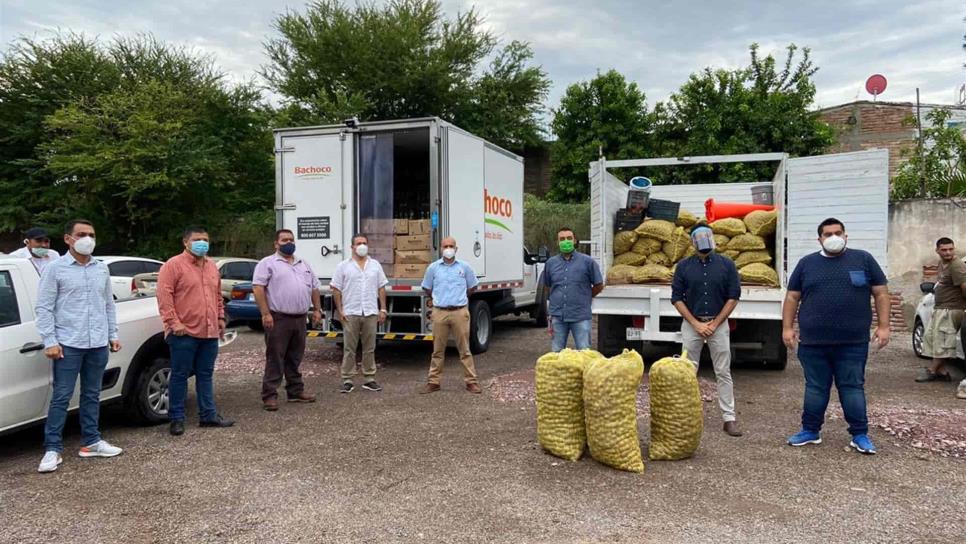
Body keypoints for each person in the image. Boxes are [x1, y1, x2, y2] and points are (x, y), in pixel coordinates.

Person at [782, 218, 890, 455]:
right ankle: (810, 430)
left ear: (846, 235)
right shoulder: (806, 264)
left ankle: (859, 434)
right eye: (827, 234)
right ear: (819, 239)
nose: (833, 237)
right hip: (813, 342)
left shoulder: (863, 259)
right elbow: (792, 297)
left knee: (852, 387)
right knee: (815, 388)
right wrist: (787, 328)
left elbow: (881, 294)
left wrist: (884, 326)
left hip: (852, 342)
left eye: (837, 232)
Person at [34, 219, 122, 473]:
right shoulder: (56, 269)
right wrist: (50, 341)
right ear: (68, 239)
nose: (88, 239)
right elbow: (44, 307)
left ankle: (91, 441)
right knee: (61, 396)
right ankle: (53, 449)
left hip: (97, 343)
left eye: (92, 234)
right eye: (81, 234)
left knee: (92, 394)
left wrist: (112, 334)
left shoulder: (100, 269)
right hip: (68, 343)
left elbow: (108, 304)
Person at [156, 226, 234, 436]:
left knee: (205, 374)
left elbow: (217, 296)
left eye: (205, 239)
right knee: (179, 375)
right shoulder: (173, 265)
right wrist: (174, 323)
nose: (202, 243)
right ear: (185, 242)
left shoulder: (211, 267)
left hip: (209, 332)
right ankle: (176, 419)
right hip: (184, 333)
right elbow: (164, 297)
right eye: (198, 239)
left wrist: (220, 317)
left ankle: (208, 415)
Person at [671, 225, 743, 437]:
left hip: (718, 325)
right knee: (687, 372)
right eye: (698, 237)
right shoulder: (683, 267)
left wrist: (715, 323)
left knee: (723, 371)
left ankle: (729, 419)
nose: (703, 240)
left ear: (713, 239)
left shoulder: (727, 265)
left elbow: (733, 296)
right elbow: (676, 298)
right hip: (692, 325)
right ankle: (686, 417)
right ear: (692, 242)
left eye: (707, 235)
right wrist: (696, 323)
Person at [252, 229, 323, 411]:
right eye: (284, 240)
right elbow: (258, 288)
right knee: (275, 357)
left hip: (300, 318)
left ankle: (295, 392)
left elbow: (315, 287)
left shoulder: (303, 264)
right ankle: (269, 395)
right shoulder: (267, 263)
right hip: (278, 318)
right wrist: (265, 313)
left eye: (291, 239)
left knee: (295, 357)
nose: (289, 242)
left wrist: (317, 309)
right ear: (276, 244)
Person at [419, 237, 481, 394]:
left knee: (464, 349)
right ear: (440, 248)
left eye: (451, 246)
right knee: (437, 350)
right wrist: (437, 298)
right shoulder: (433, 268)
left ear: (456, 248)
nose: (448, 249)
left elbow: (472, 286)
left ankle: (471, 382)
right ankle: (434, 382)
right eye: (445, 246)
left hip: (460, 312)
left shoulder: (464, 267)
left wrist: (460, 299)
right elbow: (427, 288)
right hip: (439, 312)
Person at [330, 234, 388, 394]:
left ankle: (369, 379)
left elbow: (381, 287)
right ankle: (347, 380)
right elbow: (336, 289)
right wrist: (340, 310)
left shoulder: (375, 265)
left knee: (370, 347)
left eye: (364, 243)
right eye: (359, 243)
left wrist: (382, 309)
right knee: (349, 348)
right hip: (351, 312)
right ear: (352, 247)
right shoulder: (343, 266)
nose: (362, 246)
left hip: (370, 311)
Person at [541, 227, 604, 351]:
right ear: (558, 242)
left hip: (580, 315)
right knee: (557, 353)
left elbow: (599, 285)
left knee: (584, 352)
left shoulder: (588, 262)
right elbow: (547, 286)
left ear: (575, 241)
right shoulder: (550, 263)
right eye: (562, 239)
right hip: (558, 316)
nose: (566, 241)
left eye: (569, 238)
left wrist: (585, 297)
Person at [917, 237, 965, 384]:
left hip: (952, 309)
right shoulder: (942, 263)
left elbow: (964, 286)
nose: (948, 252)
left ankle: (932, 370)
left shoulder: (957, 265)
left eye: (950, 249)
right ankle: (942, 372)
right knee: (935, 340)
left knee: (943, 342)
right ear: (937, 250)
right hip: (941, 308)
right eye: (944, 250)